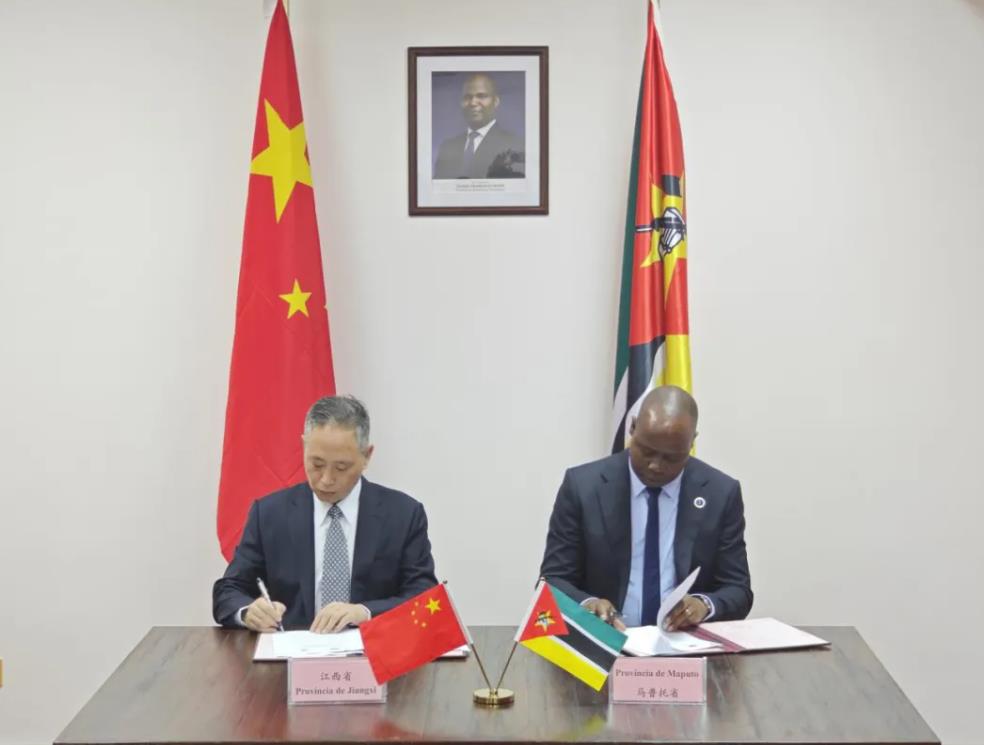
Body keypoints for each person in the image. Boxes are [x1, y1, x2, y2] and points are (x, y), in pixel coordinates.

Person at [212, 395, 438, 633]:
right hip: (291, 650)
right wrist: (248, 612)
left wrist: (365, 612)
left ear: (366, 456)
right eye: (317, 464)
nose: (326, 480)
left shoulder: (403, 515)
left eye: (341, 467)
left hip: (374, 650)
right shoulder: (269, 514)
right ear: (304, 447)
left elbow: (424, 597)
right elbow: (229, 590)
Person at [539, 386, 752, 631]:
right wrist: (588, 605)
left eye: (671, 457)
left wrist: (704, 604)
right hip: (606, 640)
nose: (655, 466)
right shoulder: (583, 486)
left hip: (683, 644)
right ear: (632, 427)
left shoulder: (720, 493)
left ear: (692, 442)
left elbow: (738, 590)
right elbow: (552, 581)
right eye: (647, 451)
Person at [433, 73, 525, 179]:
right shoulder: (447, 147)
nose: (473, 102)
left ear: (496, 101)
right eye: (467, 97)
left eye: (481, 96)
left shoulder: (515, 145)